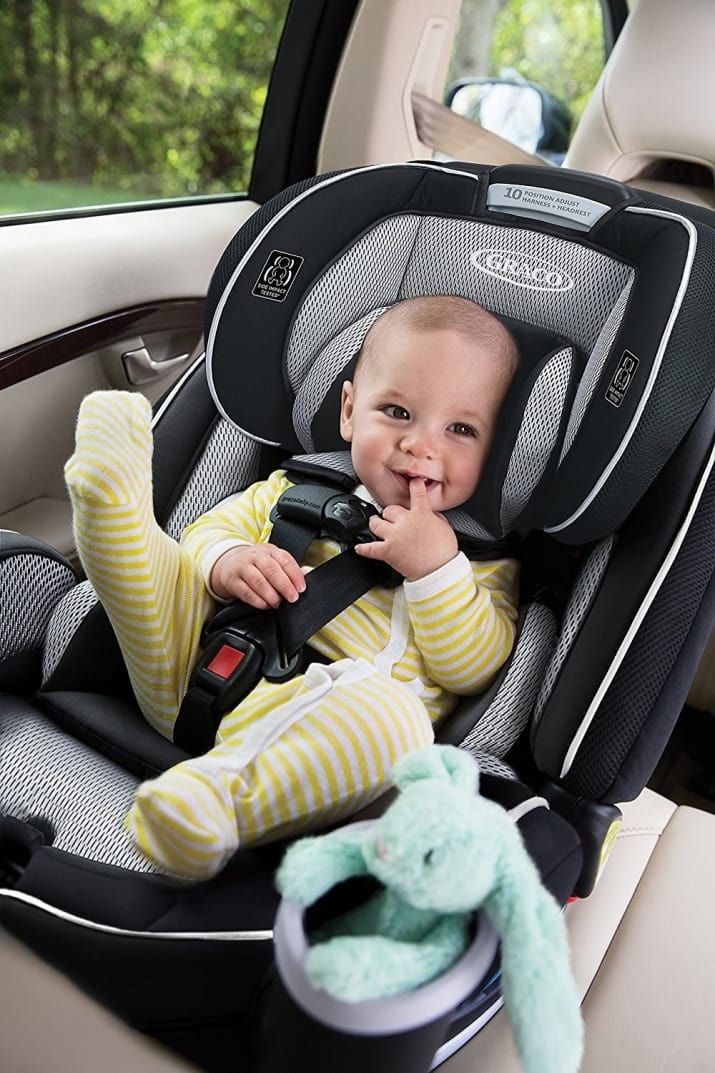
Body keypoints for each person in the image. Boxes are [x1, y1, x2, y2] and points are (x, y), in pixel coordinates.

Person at [65, 295, 520, 880]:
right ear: (350, 411)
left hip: (315, 750)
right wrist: (229, 561)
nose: (421, 445)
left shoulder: (479, 563)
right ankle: (110, 502)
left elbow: (473, 669)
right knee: (167, 568)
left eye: (460, 429)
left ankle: (213, 804)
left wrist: (436, 570)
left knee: (397, 723)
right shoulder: (295, 490)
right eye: (397, 412)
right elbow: (208, 532)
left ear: (494, 449)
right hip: (191, 669)